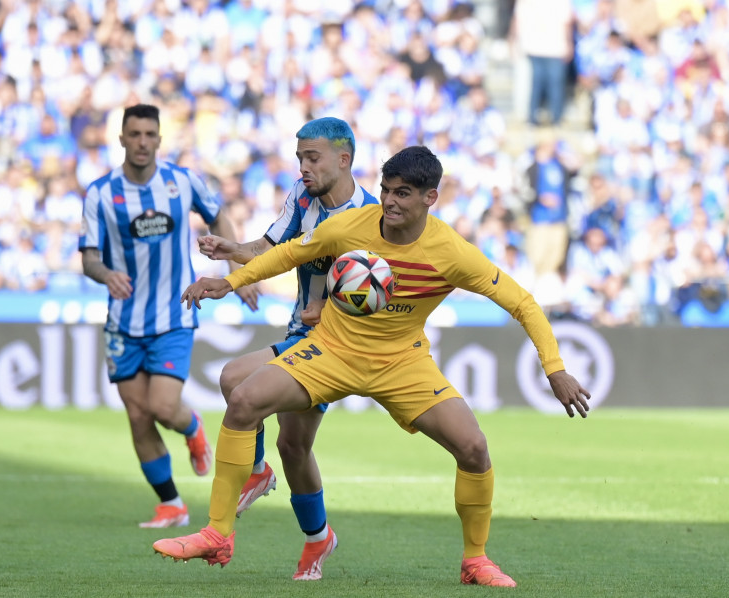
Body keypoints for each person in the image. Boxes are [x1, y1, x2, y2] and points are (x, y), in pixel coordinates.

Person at [153, 146, 591, 587]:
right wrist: (228, 282)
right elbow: (287, 255)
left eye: (403, 193)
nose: (390, 201)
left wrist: (554, 369)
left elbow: (523, 303)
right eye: (385, 190)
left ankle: (475, 560)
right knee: (245, 398)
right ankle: (218, 532)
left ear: (430, 198)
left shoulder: (451, 252)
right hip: (332, 352)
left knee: (474, 449)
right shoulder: (349, 226)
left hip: (403, 363)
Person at [196, 117, 378, 580]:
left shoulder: (371, 219)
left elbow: (379, 295)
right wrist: (230, 249)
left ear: (344, 159)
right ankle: (318, 539)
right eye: (299, 157)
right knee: (293, 446)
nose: (303, 167)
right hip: (301, 333)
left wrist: (332, 309)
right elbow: (270, 247)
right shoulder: (302, 196)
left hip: (334, 345)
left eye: (312, 157)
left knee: (237, 382)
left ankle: (258, 474)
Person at [78, 103, 259, 528]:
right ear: (121, 139)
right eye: (134, 134)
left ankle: (191, 425)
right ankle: (171, 504)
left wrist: (239, 267)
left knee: (161, 406)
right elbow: (88, 258)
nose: (142, 142)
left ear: (159, 139)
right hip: (123, 320)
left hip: (173, 314)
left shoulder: (182, 181)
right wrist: (106, 274)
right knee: (137, 414)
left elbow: (219, 216)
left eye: (149, 134)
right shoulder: (100, 193)